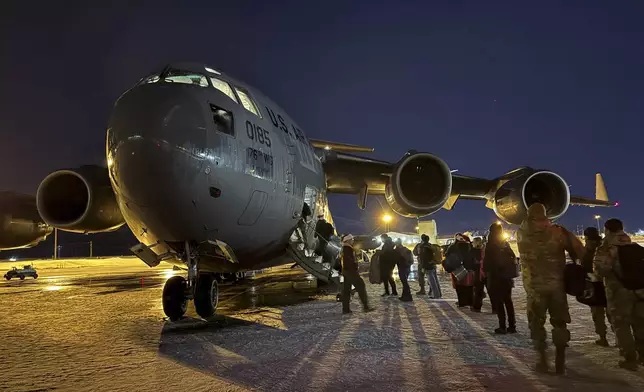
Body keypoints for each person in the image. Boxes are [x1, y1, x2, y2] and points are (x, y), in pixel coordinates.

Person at [517, 203, 585, 375]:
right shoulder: (557, 232)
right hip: (557, 287)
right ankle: (560, 361)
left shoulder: (521, 233)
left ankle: (542, 361)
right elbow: (579, 250)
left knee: (536, 324)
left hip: (534, 288)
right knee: (560, 323)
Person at [594, 218, 644, 370]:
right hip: (640, 291)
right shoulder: (634, 245)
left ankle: (629, 358)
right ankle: (643, 354)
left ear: (607, 230)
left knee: (622, 325)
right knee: (640, 323)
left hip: (619, 292)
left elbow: (600, 269)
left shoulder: (608, 248)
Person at [582, 227, 613, 347]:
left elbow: (584, 267)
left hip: (594, 287)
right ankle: (618, 338)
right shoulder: (605, 247)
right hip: (608, 285)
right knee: (612, 313)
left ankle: (603, 337)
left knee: (597, 314)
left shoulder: (588, 250)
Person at [483, 223, 517, 334]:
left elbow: (487, 263)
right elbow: (513, 256)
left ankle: (502, 326)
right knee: (508, 301)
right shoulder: (505, 244)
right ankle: (512, 326)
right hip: (507, 277)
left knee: (499, 302)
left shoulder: (490, 245)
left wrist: (486, 271)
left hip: (495, 277)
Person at [339, 234, 373, 314]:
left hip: (346, 272)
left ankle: (346, 309)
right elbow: (350, 261)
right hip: (351, 272)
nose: (353, 241)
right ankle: (366, 307)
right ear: (347, 240)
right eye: (351, 239)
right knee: (361, 286)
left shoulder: (344, 249)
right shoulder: (348, 249)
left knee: (346, 290)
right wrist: (355, 267)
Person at [446, 233, 475, 307]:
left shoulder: (453, 246)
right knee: (469, 285)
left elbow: (447, 255)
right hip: (469, 268)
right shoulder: (469, 245)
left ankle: (462, 302)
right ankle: (470, 301)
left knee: (459, 286)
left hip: (457, 268)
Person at [471, 237, 486, 312]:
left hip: (477, 273)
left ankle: (477, 307)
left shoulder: (473, 251)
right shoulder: (484, 249)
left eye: (473, 242)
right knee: (489, 290)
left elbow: (471, 262)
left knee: (477, 290)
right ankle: (495, 308)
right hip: (485, 272)